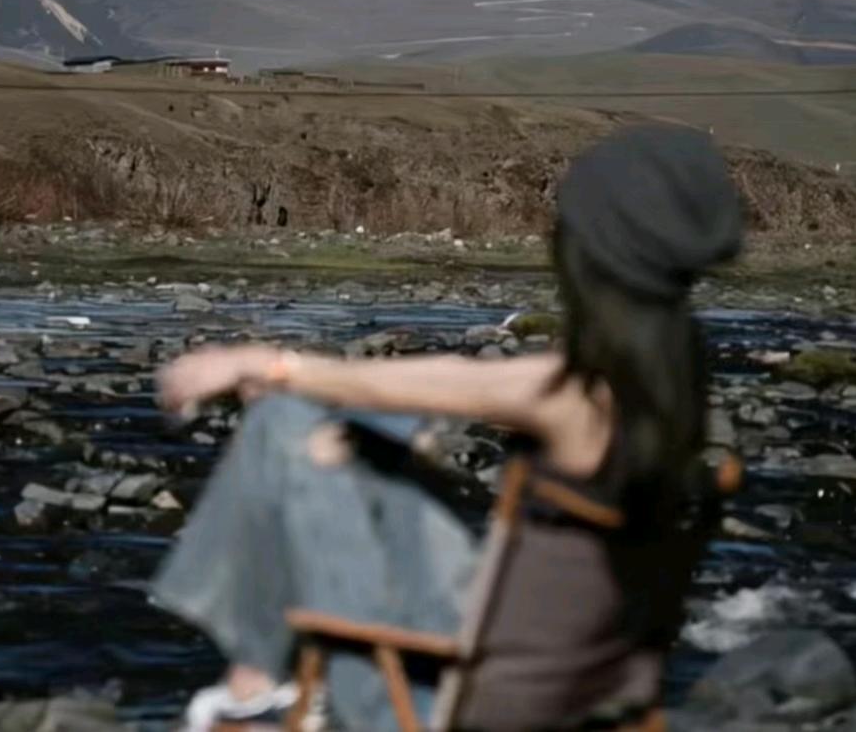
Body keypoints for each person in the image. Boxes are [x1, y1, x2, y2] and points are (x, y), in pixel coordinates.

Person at [150, 124, 744, 732]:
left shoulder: (575, 396)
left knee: (283, 421)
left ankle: (253, 684)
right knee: (359, 435)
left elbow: (462, 381)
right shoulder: (677, 378)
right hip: (586, 689)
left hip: (466, 705)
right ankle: (253, 681)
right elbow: (470, 389)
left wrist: (269, 363)